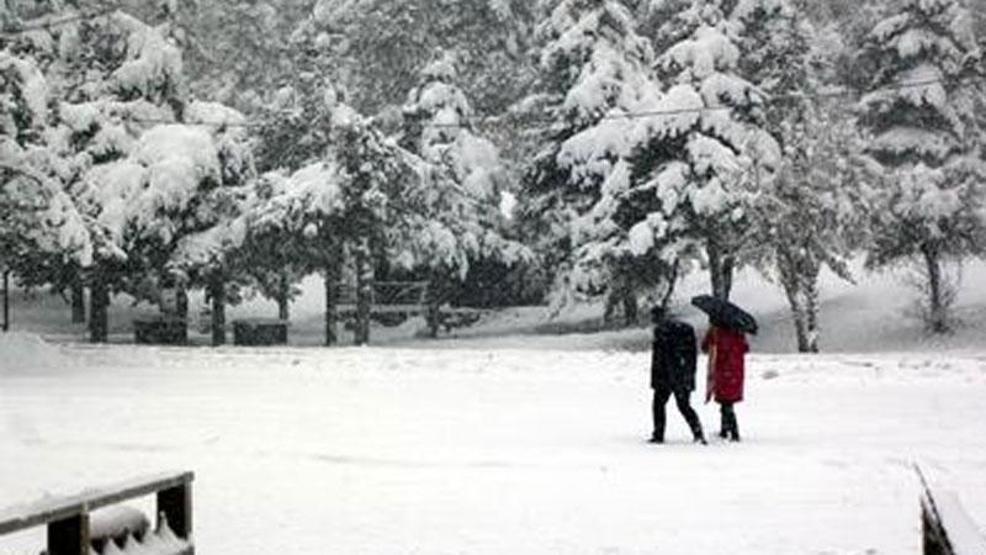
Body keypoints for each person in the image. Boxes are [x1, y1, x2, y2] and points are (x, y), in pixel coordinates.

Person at [649, 306, 706, 444]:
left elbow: (659, 358)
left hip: (667, 376)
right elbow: (690, 355)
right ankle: (698, 433)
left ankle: (659, 434)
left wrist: (656, 379)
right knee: (683, 406)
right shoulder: (683, 330)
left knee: (660, 405)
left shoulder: (662, 331)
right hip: (681, 375)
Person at [701, 323, 749, 442]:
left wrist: (710, 333)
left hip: (722, 370)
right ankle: (725, 429)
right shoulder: (739, 331)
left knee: (726, 402)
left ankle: (734, 432)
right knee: (727, 401)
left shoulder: (716, 332)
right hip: (736, 371)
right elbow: (745, 348)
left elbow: (705, 347)